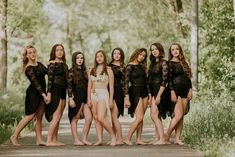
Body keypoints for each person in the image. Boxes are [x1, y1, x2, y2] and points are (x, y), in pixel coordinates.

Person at [10, 45, 47, 146]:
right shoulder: (28, 68)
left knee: (39, 116)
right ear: (26, 55)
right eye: (30, 53)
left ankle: (39, 139)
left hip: (42, 93)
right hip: (34, 94)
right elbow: (35, 83)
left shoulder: (39, 64)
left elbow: (48, 71)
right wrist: (44, 95)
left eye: (34, 52)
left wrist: (52, 63)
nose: (32, 54)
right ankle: (14, 136)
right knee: (30, 116)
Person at [165, 43, 193, 145]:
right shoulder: (169, 63)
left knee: (181, 117)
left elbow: (188, 78)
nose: (175, 51)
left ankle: (177, 138)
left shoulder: (184, 63)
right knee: (178, 115)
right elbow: (169, 80)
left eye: (177, 49)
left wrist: (190, 90)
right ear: (170, 52)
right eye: (173, 50)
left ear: (180, 50)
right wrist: (172, 92)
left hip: (185, 90)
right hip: (175, 90)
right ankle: (166, 136)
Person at [87, 50, 116, 146]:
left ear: (104, 57)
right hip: (93, 94)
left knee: (101, 117)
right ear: (95, 58)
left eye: (101, 56)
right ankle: (100, 140)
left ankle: (112, 136)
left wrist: (111, 99)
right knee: (95, 118)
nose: (99, 58)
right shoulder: (92, 70)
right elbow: (89, 85)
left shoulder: (109, 70)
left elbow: (111, 87)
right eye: (97, 56)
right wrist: (88, 99)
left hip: (103, 94)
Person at [124, 48, 151, 145]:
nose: (142, 57)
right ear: (136, 54)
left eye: (144, 56)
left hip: (144, 92)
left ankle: (138, 139)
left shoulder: (143, 67)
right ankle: (127, 138)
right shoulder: (129, 66)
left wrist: (149, 95)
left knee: (141, 117)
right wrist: (126, 98)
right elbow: (126, 83)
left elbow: (147, 82)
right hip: (135, 92)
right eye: (140, 54)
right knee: (139, 117)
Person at [45, 44, 68, 146]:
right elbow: (49, 81)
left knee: (59, 117)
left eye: (61, 50)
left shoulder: (64, 65)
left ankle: (55, 140)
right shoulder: (52, 64)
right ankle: (49, 141)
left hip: (63, 92)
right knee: (56, 116)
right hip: (55, 91)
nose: (59, 52)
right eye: (57, 50)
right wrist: (49, 94)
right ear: (54, 52)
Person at [67, 51, 92, 145]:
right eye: (78, 58)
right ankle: (76, 140)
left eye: (81, 58)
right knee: (75, 118)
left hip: (85, 97)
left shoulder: (85, 71)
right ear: (74, 59)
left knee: (89, 118)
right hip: (76, 97)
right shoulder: (71, 71)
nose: (80, 60)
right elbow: (69, 86)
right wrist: (70, 98)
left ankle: (84, 138)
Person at [148, 43, 168, 145]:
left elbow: (164, 81)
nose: (154, 51)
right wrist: (150, 94)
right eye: (152, 50)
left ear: (160, 50)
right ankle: (157, 137)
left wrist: (159, 95)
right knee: (156, 115)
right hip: (153, 91)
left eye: (156, 49)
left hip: (160, 91)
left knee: (154, 115)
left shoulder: (164, 63)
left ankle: (163, 139)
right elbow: (150, 80)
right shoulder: (151, 64)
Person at [108, 48, 125, 145]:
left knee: (114, 117)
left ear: (121, 55)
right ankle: (113, 138)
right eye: (115, 53)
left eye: (119, 53)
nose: (117, 55)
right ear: (112, 55)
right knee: (112, 118)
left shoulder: (124, 67)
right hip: (109, 92)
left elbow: (125, 83)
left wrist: (126, 97)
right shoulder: (108, 66)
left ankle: (120, 139)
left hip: (119, 92)